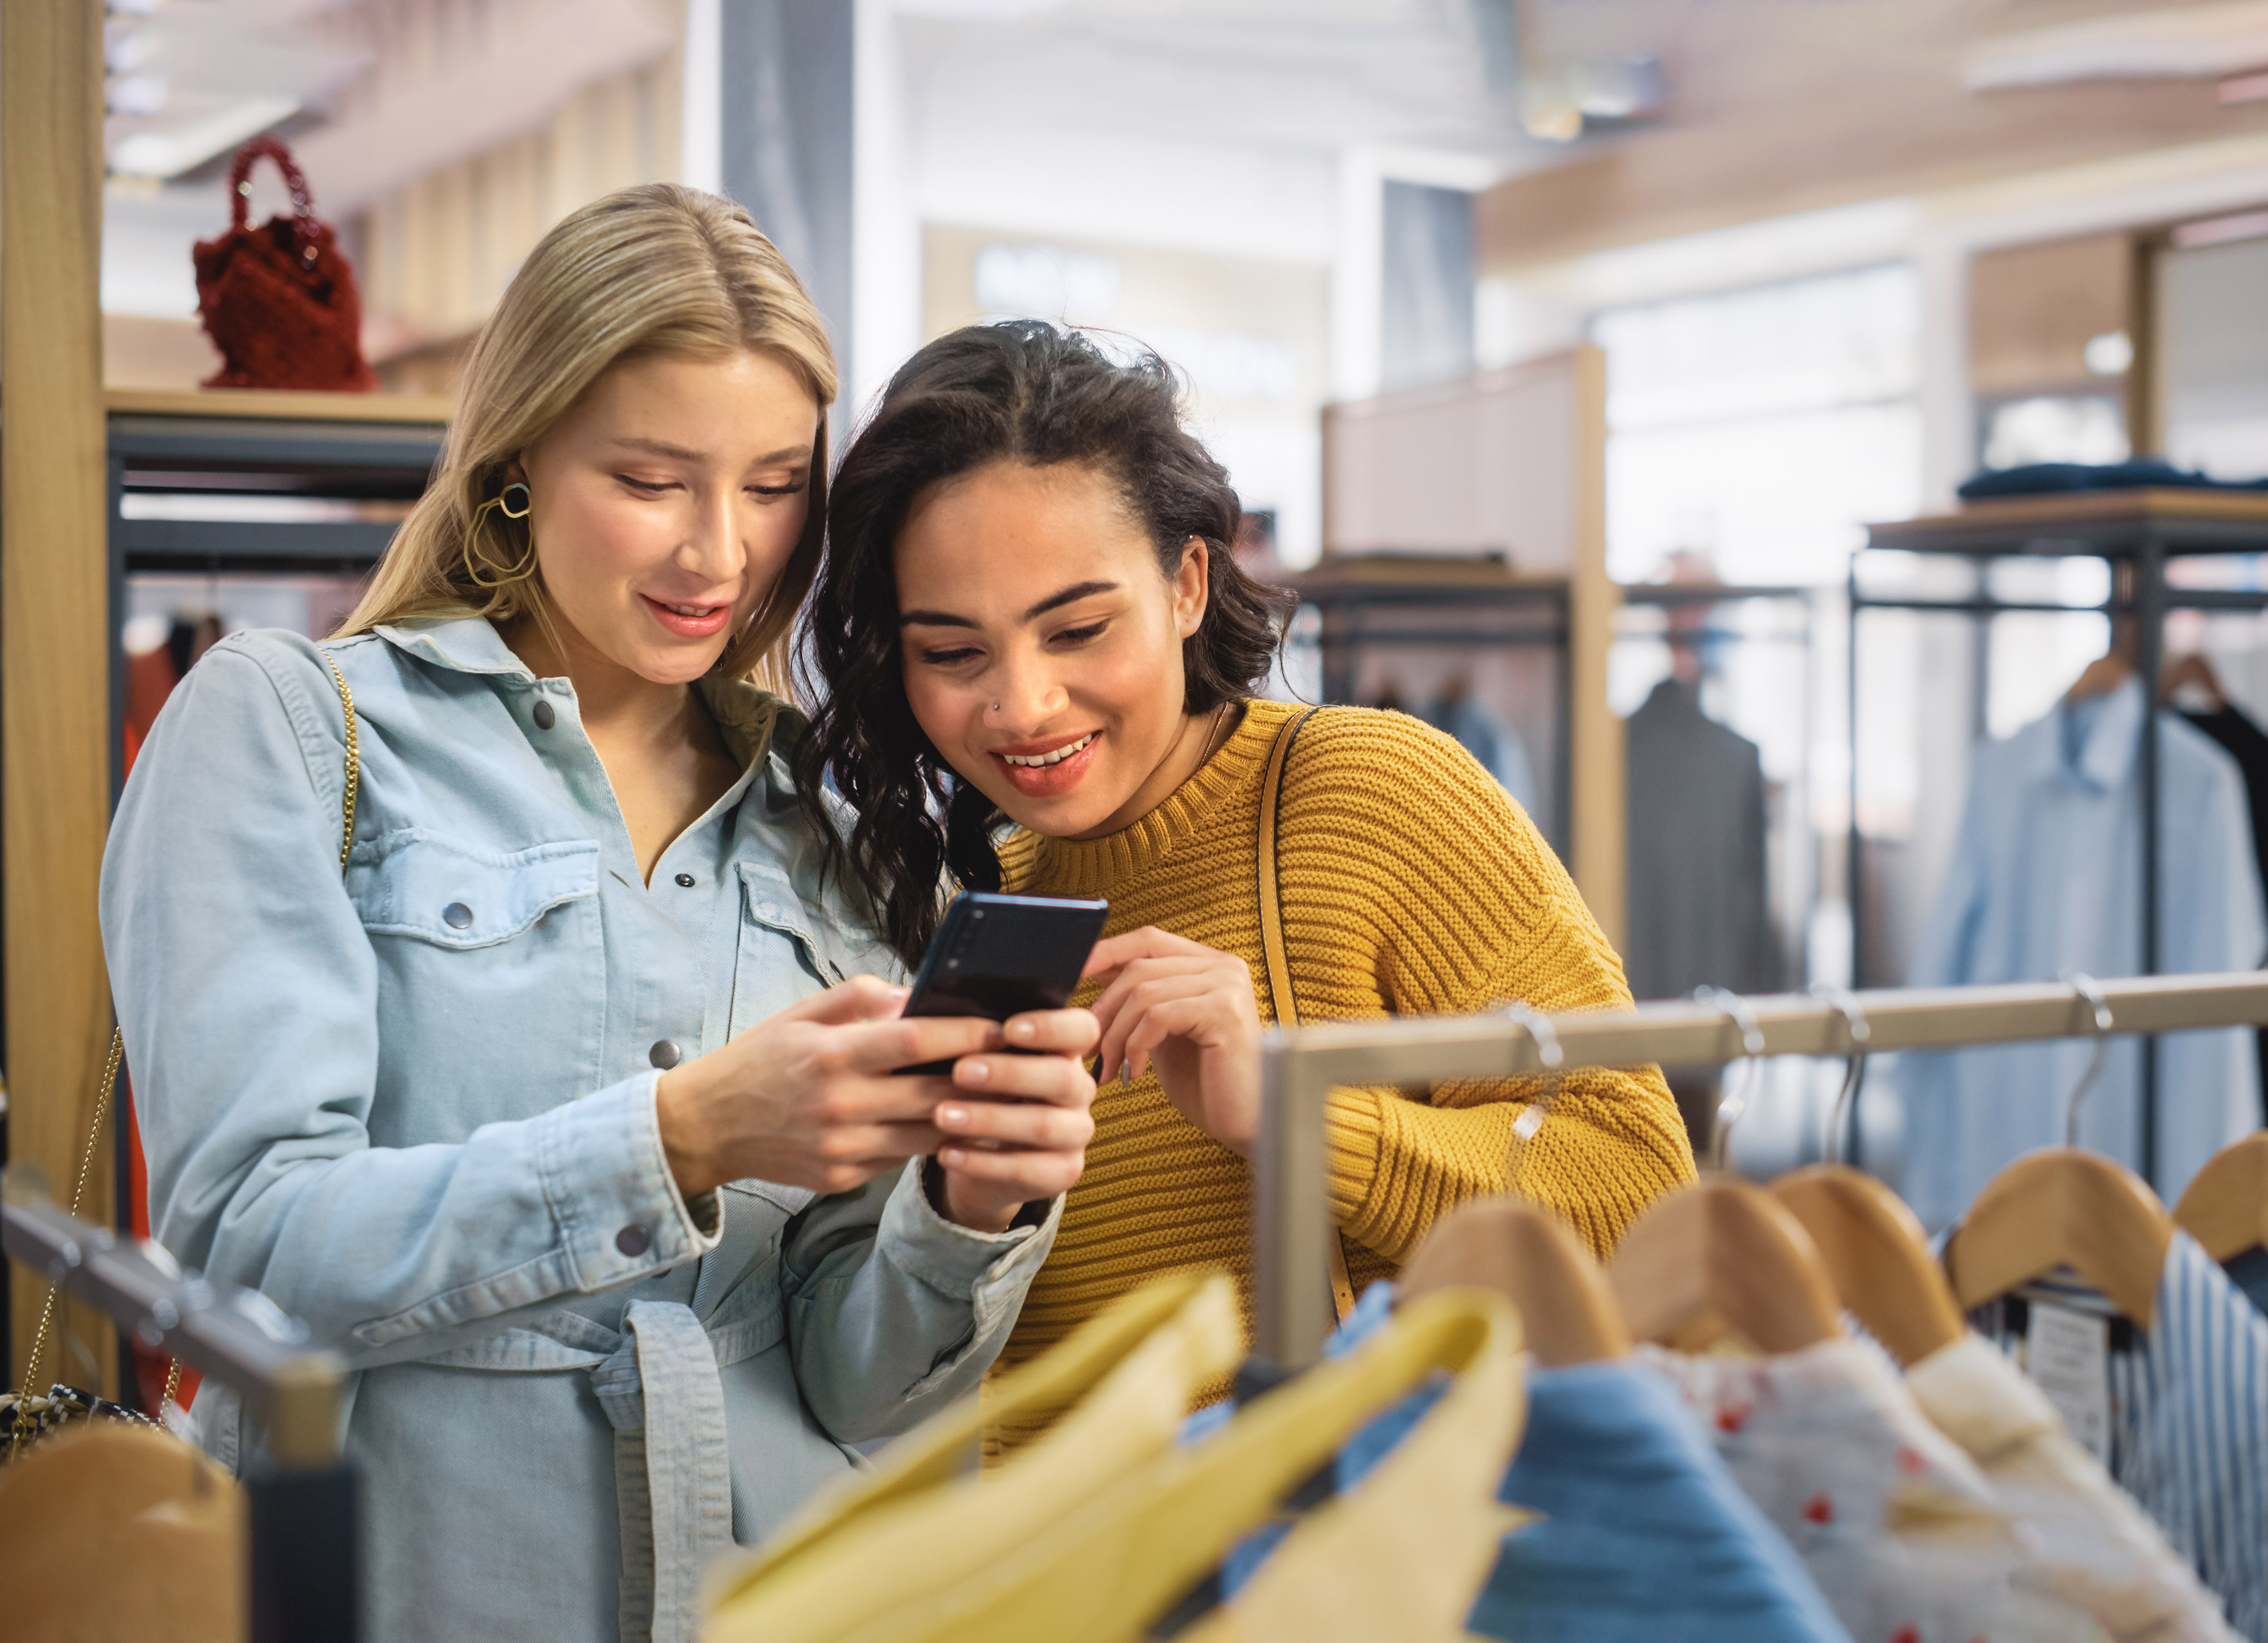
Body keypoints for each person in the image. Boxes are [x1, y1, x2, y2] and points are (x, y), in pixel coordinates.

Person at [101, 188, 1099, 1643]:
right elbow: (246, 1247)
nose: (720, 553)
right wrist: (678, 1135)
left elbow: (859, 1380)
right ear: (518, 455)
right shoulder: (290, 729)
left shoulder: (830, 808)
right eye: (651, 478)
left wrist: (970, 1204)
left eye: (772, 485)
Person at [797, 320, 1695, 1442]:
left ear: (1186, 583)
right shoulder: (967, 912)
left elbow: (1646, 1206)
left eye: (1076, 628)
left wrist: (1295, 1114)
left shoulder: (1371, 793)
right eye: (952, 653)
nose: (1020, 707)